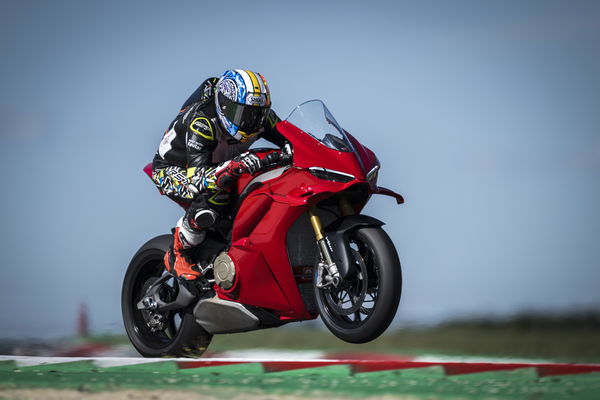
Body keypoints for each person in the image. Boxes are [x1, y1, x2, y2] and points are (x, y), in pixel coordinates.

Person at [151, 69, 286, 282]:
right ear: (225, 106)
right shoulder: (203, 122)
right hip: (175, 170)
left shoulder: (262, 118)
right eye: (244, 113)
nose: (251, 121)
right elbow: (199, 178)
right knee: (213, 197)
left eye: (256, 113)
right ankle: (179, 252)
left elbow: (293, 139)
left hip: (220, 164)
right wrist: (235, 165)